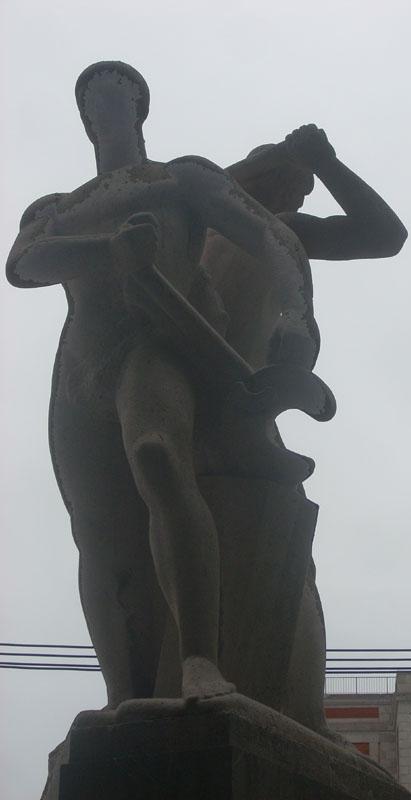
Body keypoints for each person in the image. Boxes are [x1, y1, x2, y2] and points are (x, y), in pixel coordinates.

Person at [6, 61, 321, 706]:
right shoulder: (57, 206)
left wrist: (295, 312)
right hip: (80, 368)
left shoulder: (183, 178)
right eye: (93, 96)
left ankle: (200, 662)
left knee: (158, 459)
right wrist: (109, 250)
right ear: (84, 116)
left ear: (140, 106)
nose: (106, 103)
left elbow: (271, 234)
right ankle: (124, 693)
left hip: (157, 346)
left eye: (119, 91)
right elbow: (23, 264)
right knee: (95, 531)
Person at [201, 126, 407, 735]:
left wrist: (329, 163)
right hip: (186, 400)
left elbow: (384, 235)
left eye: (298, 190)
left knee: (284, 557)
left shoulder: (284, 237)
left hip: (247, 412)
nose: (290, 198)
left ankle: (299, 713)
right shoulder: (197, 223)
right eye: (281, 184)